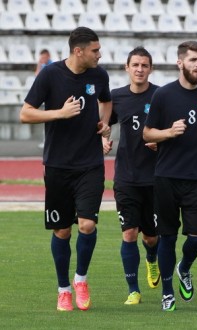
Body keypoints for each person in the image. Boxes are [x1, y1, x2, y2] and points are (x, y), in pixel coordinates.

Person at [19, 27, 112, 312]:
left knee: (87, 224)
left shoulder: (99, 75)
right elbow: (25, 113)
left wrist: (105, 125)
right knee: (62, 231)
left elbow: (106, 101)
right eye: (95, 50)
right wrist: (59, 113)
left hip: (91, 164)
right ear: (78, 51)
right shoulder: (50, 74)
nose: (100, 54)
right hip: (58, 165)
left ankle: (81, 280)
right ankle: (63, 289)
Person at [143, 41, 197, 311]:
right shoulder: (163, 95)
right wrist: (168, 133)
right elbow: (147, 133)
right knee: (166, 237)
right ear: (180, 63)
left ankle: (185, 267)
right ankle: (167, 293)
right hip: (166, 176)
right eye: (193, 60)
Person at [102, 46, 161, 305]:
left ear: (150, 69)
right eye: (135, 65)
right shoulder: (117, 97)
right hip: (126, 177)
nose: (139, 69)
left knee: (151, 237)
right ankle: (133, 290)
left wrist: (162, 143)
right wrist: (103, 141)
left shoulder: (161, 96)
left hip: (156, 178)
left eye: (144, 65)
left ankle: (151, 259)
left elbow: (172, 131)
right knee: (129, 233)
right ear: (127, 68)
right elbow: (103, 125)